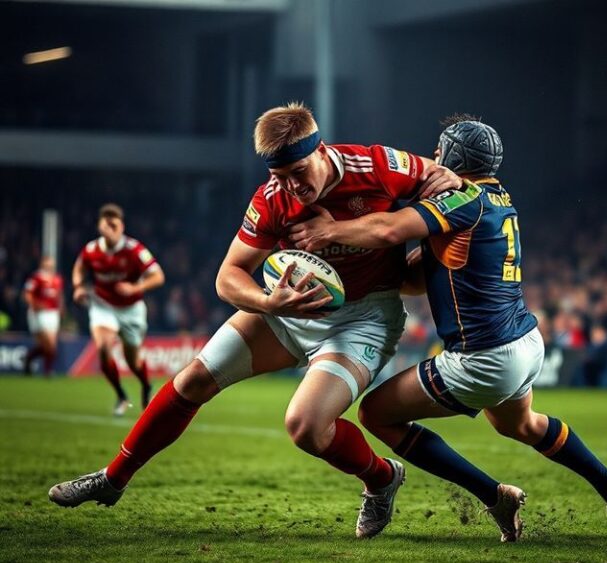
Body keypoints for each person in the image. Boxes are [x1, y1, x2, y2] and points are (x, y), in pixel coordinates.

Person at [48, 103, 463, 539]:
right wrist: (270, 302)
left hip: (362, 318)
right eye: (280, 176)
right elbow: (227, 277)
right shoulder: (271, 199)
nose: (291, 186)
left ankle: (380, 479)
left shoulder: (377, 165)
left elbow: (445, 181)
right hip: (284, 312)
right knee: (192, 380)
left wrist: (446, 178)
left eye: (299, 171)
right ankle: (113, 479)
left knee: (304, 427)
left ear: (321, 150)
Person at [289, 115, 607, 540]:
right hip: (526, 343)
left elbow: (388, 228)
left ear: (454, 158)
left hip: (484, 355)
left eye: (440, 152)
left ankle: (495, 497)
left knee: (374, 414)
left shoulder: (462, 200)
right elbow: (419, 277)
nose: (433, 159)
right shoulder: (497, 199)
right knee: (521, 425)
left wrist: (332, 231)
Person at [72, 203, 165, 416]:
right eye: (107, 224)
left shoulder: (134, 250)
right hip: (103, 306)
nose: (112, 229)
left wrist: (136, 287)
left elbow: (158, 276)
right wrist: (78, 286)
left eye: (115, 224)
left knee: (133, 361)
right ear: (99, 226)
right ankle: (122, 396)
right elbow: (79, 267)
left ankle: (146, 385)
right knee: (104, 348)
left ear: (122, 226)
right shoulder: (91, 250)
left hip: (131, 309)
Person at [23, 256, 64, 376]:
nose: (50, 266)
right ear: (42, 264)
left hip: (53, 313)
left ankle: (29, 359)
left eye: (52, 264)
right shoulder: (36, 278)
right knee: (49, 345)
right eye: (48, 263)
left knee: (50, 346)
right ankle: (48, 371)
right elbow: (28, 294)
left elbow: (59, 295)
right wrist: (34, 305)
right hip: (39, 314)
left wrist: (61, 307)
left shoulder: (57, 279)